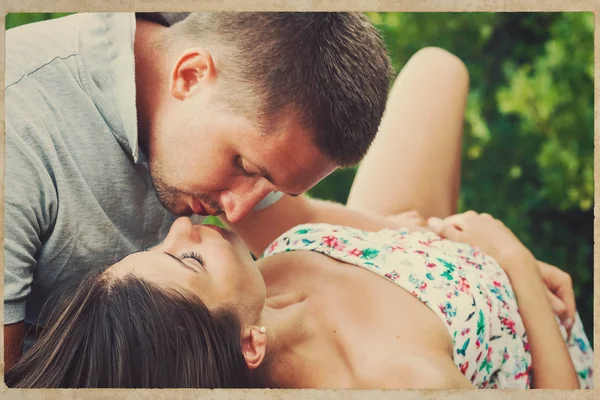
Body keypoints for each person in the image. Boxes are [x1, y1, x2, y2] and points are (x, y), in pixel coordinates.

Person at [5, 45, 593, 389]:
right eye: (183, 256)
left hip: (413, 248)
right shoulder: (400, 377)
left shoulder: (242, 280)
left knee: (438, 70)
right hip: (514, 312)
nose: (181, 225)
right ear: (249, 344)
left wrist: (406, 233)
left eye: (151, 247)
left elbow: (294, 209)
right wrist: (511, 260)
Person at [4, 11, 398, 370]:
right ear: (190, 76)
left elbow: (299, 222)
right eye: (244, 167)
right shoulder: (18, 140)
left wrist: (415, 236)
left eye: (272, 186)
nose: (237, 213)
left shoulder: (245, 69)